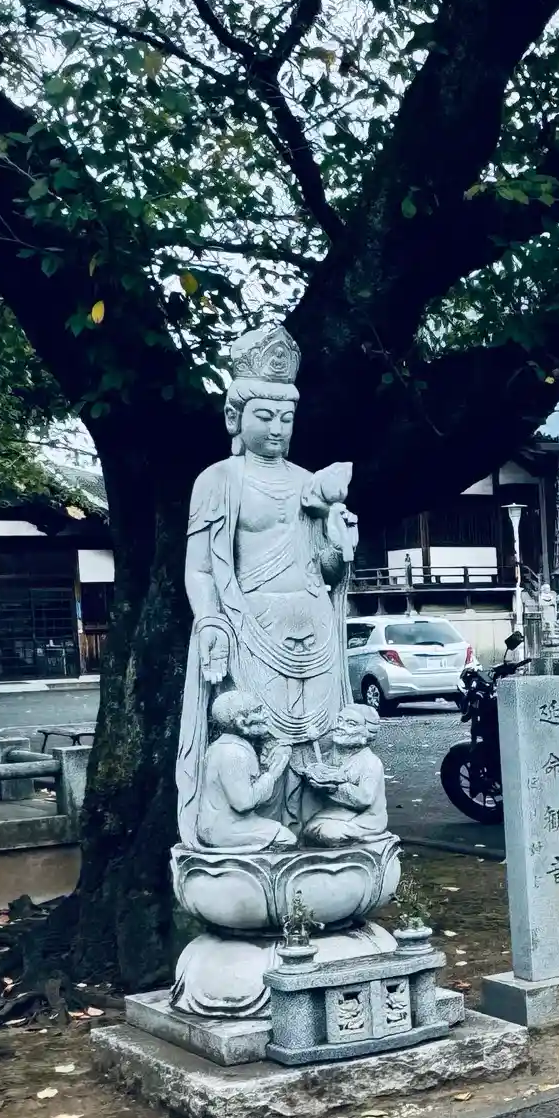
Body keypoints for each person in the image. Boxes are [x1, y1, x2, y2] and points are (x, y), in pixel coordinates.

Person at [174, 323, 359, 847]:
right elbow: (200, 568)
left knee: (319, 735)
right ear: (235, 417)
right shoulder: (218, 480)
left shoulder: (309, 483)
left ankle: (315, 826)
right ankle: (255, 828)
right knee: (258, 732)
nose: (277, 428)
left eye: (286, 418)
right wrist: (210, 621)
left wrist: (339, 542)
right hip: (250, 627)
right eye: (264, 416)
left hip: (314, 626)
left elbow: (325, 570)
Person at [192, 691, 296, 851]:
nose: (265, 715)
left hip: (222, 823)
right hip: (224, 828)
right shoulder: (233, 753)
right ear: (240, 722)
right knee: (287, 838)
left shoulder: (224, 746)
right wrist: (272, 775)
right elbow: (243, 803)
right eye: (257, 711)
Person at [298, 704, 388, 845]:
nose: (340, 726)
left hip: (366, 819)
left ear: (366, 733)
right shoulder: (336, 754)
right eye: (339, 721)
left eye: (350, 724)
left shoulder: (370, 762)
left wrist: (333, 786)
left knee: (327, 832)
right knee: (310, 827)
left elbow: (364, 799)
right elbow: (320, 765)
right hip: (341, 813)